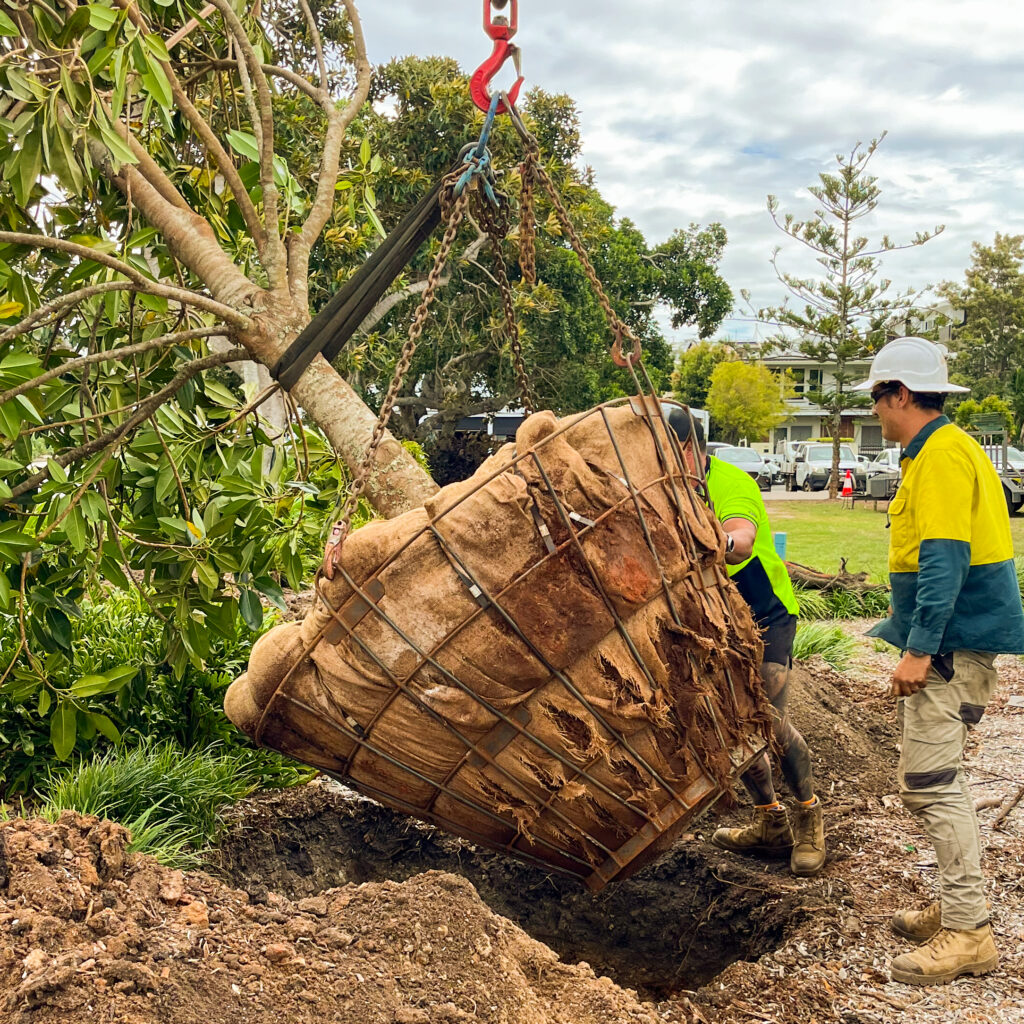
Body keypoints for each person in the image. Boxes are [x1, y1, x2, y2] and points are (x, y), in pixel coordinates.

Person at [853, 337, 1024, 986]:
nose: (874, 411)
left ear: (900, 394)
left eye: (877, 398)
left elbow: (944, 560)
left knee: (930, 784)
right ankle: (959, 907)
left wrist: (921, 649)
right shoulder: (934, 454)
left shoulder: (944, 457)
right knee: (933, 780)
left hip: (951, 647)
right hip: (952, 644)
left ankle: (969, 933)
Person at [666, 408, 825, 877]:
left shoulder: (728, 482)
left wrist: (708, 541)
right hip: (710, 624)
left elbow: (742, 537)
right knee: (732, 730)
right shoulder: (664, 492)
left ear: (689, 448)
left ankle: (809, 817)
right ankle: (769, 822)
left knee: (770, 723)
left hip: (765, 615)